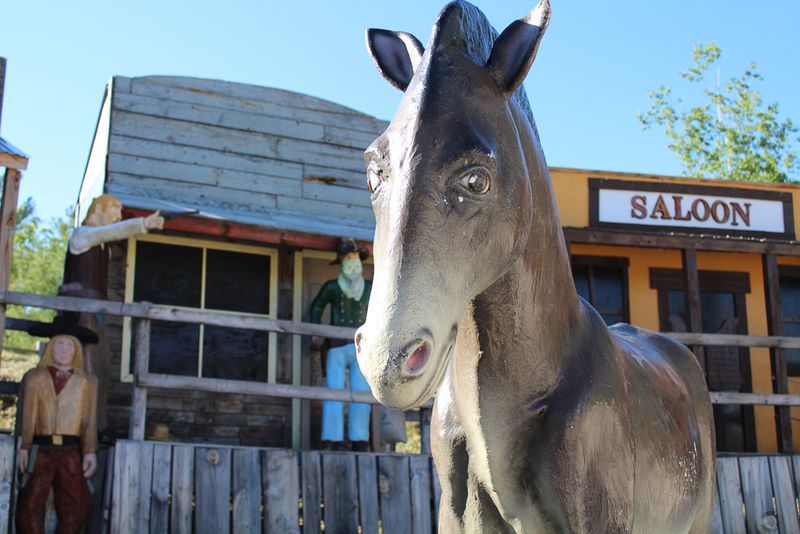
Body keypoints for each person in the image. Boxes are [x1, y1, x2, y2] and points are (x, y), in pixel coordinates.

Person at [58, 194, 163, 433]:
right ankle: (75, 427)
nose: (117, 217)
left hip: (96, 312)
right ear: (99, 209)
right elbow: (108, 232)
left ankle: (93, 428)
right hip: (79, 314)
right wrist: (143, 224)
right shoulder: (83, 235)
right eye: (115, 210)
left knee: (99, 372)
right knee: (81, 368)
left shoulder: (102, 246)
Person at [16, 334, 98, 534]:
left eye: (69, 345)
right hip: (40, 449)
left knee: (76, 505)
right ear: (50, 348)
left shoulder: (86, 382)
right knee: (30, 503)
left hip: (71, 451)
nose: (63, 349)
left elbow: (89, 419)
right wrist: (24, 446)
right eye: (58, 344)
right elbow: (27, 414)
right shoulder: (35, 377)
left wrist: (89, 451)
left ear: (76, 351)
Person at [310, 238, 372, 450]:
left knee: (361, 392)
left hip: (362, 348)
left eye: (355, 258)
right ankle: (332, 437)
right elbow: (317, 307)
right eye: (348, 258)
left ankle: (359, 439)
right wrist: (316, 331)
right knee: (333, 392)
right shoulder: (332, 287)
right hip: (336, 345)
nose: (352, 262)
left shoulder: (370, 288)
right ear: (342, 262)